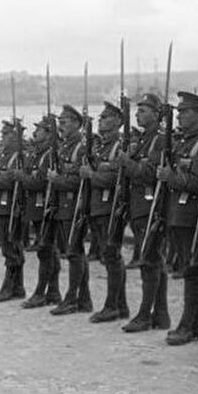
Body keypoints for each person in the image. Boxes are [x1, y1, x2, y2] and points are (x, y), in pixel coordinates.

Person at [162, 92, 198, 345]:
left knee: (192, 269)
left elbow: (197, 183)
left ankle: (188, 325)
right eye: (179, 111)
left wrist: (169, 177)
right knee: (191, 270)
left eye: (184, 111)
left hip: (191, 215)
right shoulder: (181, 142)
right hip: (177, 214)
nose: (179, 115)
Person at [120, 93, 170, 332]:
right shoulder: (143, 139)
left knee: (149, 261)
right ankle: (160, 314)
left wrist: (126, 162)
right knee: (152, 261)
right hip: (139, 206)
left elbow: (150, 172)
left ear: (157, 114)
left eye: (143, 110)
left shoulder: (159, 140)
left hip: (150, 207)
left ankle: (145, 315)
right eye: (137, 110)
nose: (138, 114)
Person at [82, 102, 129, 323]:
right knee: (108, 256)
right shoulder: (100, 147)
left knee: (112, 255)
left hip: (111, 208)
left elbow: (114, 179)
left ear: (119, 121)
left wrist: (91, 175)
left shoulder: (119, 146)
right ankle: (120, 305)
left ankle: (112, 306)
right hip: (98, 207)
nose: (101, 120)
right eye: (101, 117)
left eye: (106, 117)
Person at [49, 105, 92, 316]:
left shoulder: (81, 147)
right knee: (74, 253)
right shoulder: (66, 147)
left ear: (77, 123)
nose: (61, 125)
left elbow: (80, 180)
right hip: (64, 206)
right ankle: (84, 299)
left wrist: (58, 180)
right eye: (60, 121)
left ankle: (73, 298)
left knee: (74, 253)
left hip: (75, 206)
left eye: (64, 121)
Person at [19, 115, 62, 308]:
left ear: (49, 134)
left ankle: (41, 292)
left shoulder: (49, 154)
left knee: (46, 250)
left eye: (40, 130)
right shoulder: (39, 153)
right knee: (46, 250)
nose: (35, 133)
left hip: (45, 205)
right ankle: (52, 291)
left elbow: (40, 182)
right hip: (37, 207)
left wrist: (22, 178)